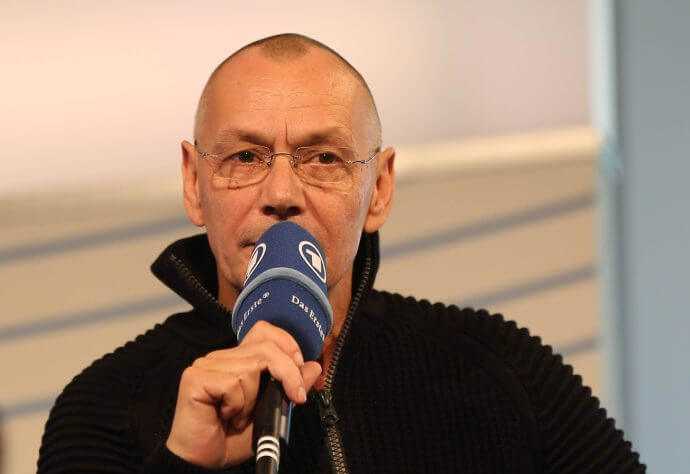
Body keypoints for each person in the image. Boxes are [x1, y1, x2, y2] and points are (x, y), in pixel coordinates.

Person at [37, 33, 644, 473]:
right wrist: (184, 466)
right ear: (194, 183)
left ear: (379, 189)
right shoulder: (103, 407)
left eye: (323, 158)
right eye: (244, 157)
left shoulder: (507, 370)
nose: (281, 194)